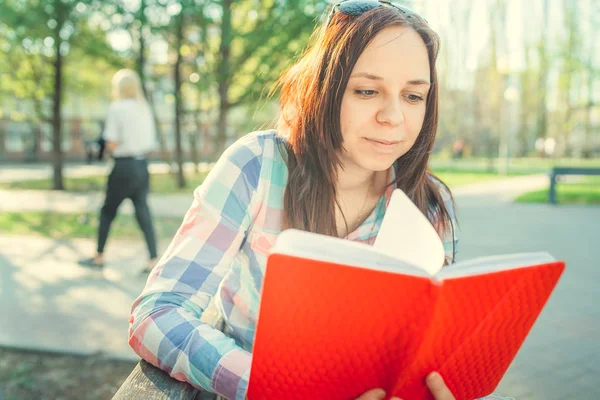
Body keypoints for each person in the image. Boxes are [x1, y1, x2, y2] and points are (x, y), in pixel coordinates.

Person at [129, 2, 508, 399]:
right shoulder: (256, 167)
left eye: (414, 96)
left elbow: (424, 353)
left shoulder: (430, 205)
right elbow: (157, 313)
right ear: (325, 88)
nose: (394, 116)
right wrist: (277, 388)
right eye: (367, 90)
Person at [79, 69, 158, 271]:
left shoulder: (117, 108)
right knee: (143, 212)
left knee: (107, 212)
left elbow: (112, 143)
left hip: (123, 167)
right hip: (142, 166)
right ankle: (153, 260)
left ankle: (98, 257)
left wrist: (100, 148)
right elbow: (150, 142)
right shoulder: (145, 108)